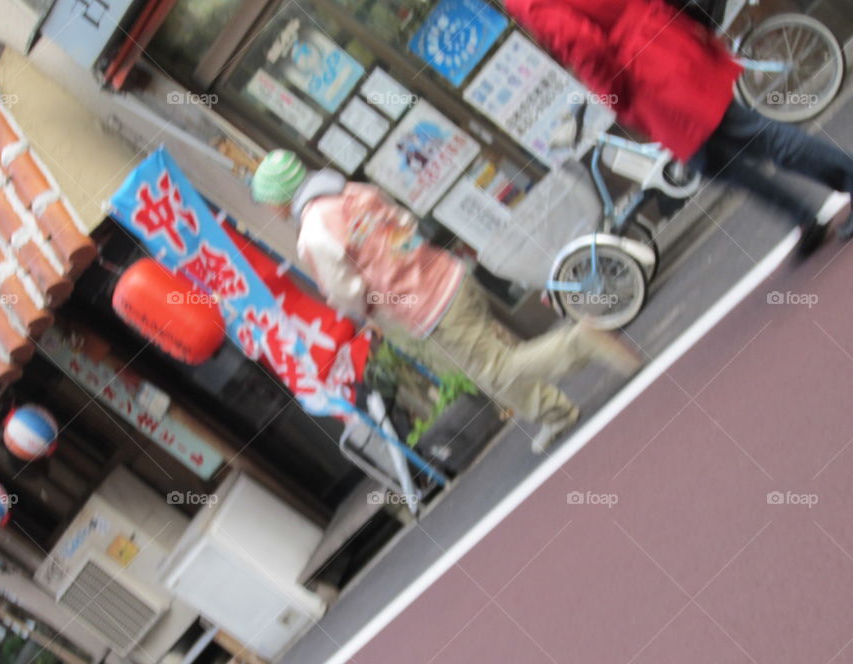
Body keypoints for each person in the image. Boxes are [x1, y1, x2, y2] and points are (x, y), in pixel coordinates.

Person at [251, 150, 641, 453]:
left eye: (268, 201)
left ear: (280, 200)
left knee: (496, 369)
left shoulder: (314, 233)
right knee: (488, 368)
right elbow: (404, 222)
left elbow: (345, 291)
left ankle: (578, 342)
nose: (270, 210)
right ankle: (555, 412)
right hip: (449, 275)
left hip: (427, 305)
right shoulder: (353, 193)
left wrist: (371, 305)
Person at [505, 0, 853, 256]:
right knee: (718, 157)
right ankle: (802, 215)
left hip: (647, 71)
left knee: (750, 136)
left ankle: (826, 195)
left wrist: (615, 97)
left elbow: (583, 45)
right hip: (661, 40)